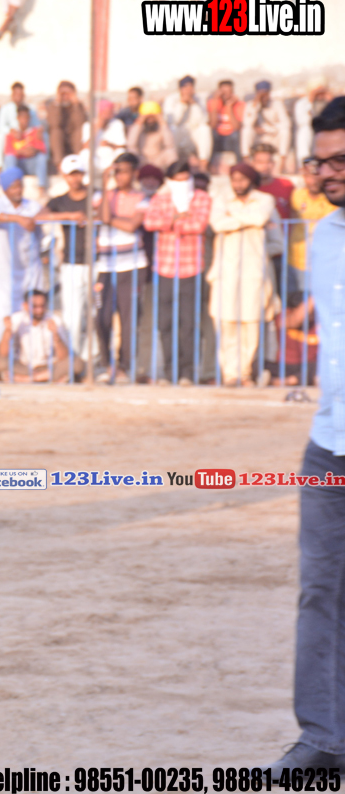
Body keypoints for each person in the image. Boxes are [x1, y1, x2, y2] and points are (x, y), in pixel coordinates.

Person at [264, 95, 345, 773]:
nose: (328, 173)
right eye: (321, 162)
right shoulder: (322, 237)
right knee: (320, 592)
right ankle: (324, 738)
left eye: (341, 159)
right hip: (329, 446)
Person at [207, 162, 279, 386]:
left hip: (254, 270)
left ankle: (245, 372)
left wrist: (234, 218)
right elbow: (217, 224)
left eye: (242, 179)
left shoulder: (265, 200)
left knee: (251, 322)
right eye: (234, 180)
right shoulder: (222, 199)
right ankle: (229, 373)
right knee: (226, 322)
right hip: (226, 270)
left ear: (251, 180)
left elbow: (260, 218)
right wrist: (248, 220)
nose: (238, 184)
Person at [143, 160, 212, 384]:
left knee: (188, 324)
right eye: (178, 179)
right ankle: (169, 371)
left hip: (191, 267)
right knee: (165, 323)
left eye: (186, 178)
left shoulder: (201, 198)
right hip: (164, 267)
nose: (182, 183)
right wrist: (177, 219)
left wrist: (170, 225)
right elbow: (149, 222)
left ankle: (187, 372)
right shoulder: (160, 198)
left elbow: (199, 225)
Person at [94, 153, 149, 382]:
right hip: (106, 265)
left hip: (132, 265)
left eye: (124, 171)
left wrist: (111, 219)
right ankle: (106, 364)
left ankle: (125, 366)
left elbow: (132, 225)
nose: (119, 176)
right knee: (102, 317)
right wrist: (105, 185)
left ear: (134, 173)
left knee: (128, 319)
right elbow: (103, 216)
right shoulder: (103, 196)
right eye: (116, 172)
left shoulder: (142, 197)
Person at [38, 154, 91, 367]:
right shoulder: (59, 201)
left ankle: (92, 361)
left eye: (77, 173)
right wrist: (69, 216)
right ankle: (75, 363)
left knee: (96, 315)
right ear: (64, 176)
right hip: (71, 264)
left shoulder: (94, 196)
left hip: (97, 263)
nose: (74, 178)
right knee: (73, 317)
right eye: (70, 174)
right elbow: (40, 216)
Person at [0, 166, 43, 328]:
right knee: (5, 312)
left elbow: (40, 227)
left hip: (30, 266)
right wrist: (18, 218)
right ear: (5, 190)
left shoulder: (32, 205)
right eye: (13, 187)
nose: (18, 190)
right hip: (5, 269)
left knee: (32, 308)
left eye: (20, 186)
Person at [0, 289, 80, 382]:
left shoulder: (54, 320)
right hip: (24, 367)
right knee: (0, 363)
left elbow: (64, 357)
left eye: (42, 306)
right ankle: (49, 378)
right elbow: (3, 353)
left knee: (76, 363)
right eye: (34, 306)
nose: (39, 310)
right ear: (25, 306)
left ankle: (27, 379)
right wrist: (8, 331)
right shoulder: (16, 319)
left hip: (48, 366)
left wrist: (56, 336)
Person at [290, 158, 337, 291]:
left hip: (324, 260)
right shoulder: (297, 195)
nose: (313, 181)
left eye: (317, 176)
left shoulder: (332, 198)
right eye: (309, 176)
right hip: (296, 259)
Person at [162, 75, 211, 169]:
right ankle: (173, 163)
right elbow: (172, 121)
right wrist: (182, 103)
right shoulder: (171, 99)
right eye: (186, 88)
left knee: (204, 128)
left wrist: (193, 104)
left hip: (193, 133)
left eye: (191, 87)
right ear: (181, 89)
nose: (188, 90)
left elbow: (203, 120)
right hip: (179, 132)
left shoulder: (198, 99)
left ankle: (203, 163)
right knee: (172, 128)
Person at [242, 81, 292, 173]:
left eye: (265, 95)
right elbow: (247, 123)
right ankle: (246, 161)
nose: (264, 97)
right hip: (259, 138)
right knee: (246, 130)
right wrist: (255, 105)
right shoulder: (250, 105)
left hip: (273, 136)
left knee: (285, 131)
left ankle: (282, 162)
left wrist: (266, 129)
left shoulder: (277, 104)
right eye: (261, 95)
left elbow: (286, 123)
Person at [0, 82, 39, 171]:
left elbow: (36, 126)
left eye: (20, 94)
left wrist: (29, 132)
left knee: (44, 135)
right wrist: (12, 131)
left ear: (23, 95)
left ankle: (45, 162)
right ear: (12, 95)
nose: (18, 97)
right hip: (12, 137)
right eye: (16, 94)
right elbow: (0, 127)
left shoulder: (31, 109)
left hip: (27, 136)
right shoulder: (5, 109)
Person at [2, 104, 48, 191]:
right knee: (9, 158)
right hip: (17, 165)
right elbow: (8, 152)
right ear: (18, 118)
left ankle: (41, 187)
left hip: (31, 164)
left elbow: (42, 149)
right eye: (22, 117)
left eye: (26, 117)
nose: (24, 120)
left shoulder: (35, 132)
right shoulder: (12, 134)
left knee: (41, 157)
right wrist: (22, 151)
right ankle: (11, 186)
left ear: (29, 118)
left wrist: (33, 150)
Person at [46, 82, 88, 174]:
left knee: (79, 131)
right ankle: (59, 164)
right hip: (60, 139)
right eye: (63, 94)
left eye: (68, 94)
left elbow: (80, 123)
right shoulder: (53, 105)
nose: (65, 96)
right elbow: (54, 122)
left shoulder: (78, 106)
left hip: (74, 138)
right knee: (56, 131)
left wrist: (75, 104)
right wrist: (58, 103)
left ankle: (78, 162)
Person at [81, 99, 129, 177]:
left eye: (110, 112)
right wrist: (97, 128)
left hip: (111, 156)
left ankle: (116, 175)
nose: (108, 115)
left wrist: (109, 144)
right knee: (85, 153)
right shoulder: (88, 125)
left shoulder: (117, 124)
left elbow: (122, 146)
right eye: (105, 112)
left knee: (121, 152)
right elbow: (86, 146)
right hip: (95, 157)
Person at [126, 101, 178, 171]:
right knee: (131, 152)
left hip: (159, 160)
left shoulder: (161, 128)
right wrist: (140, 120)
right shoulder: (138, 129)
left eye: (152, 118)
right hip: (142, 160)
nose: (150, 120)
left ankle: (173, 173)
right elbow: (131, 145)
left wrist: (161, 121)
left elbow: (170, 145)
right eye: (148, 118)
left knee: (170, 152)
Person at [207, 79, 246, 167]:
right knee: (211, 133)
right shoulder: (212, 102)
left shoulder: (239, 104)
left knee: (236, 134)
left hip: (231, 138)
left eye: (229, 92)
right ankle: (209, 166)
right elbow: (213, 124)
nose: (226, 95)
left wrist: (229, 107)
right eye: (224, 92)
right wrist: (215, 101)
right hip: (217, 137)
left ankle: (240, 165)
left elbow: (236, 127)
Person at [295, 78, 332, 167]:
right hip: (309, 133)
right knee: (305, 131)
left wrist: (330, 100)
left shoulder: (329, 103)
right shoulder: (302, 103)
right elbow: (302, 121)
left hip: (326, 133)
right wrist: (311, 101)